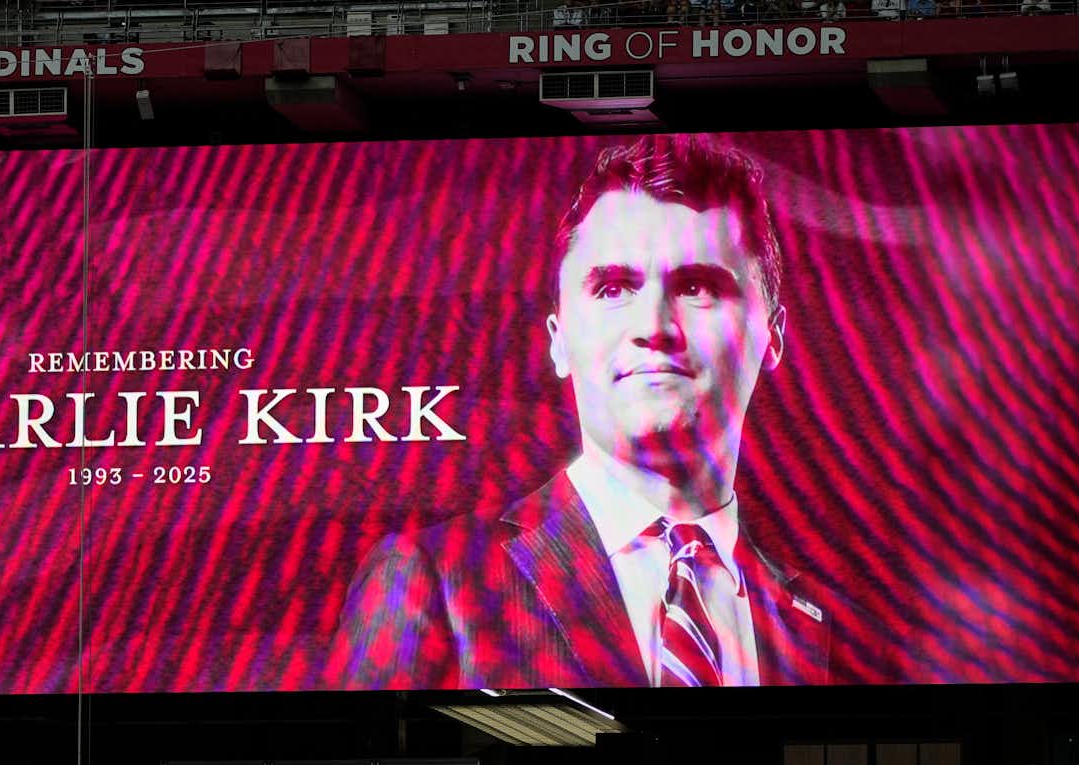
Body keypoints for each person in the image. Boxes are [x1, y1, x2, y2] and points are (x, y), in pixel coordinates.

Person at [330, 132, 838, 690]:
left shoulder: (817, 623)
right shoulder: (433, 576)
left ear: (773, 337)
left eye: (696, 286)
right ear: (558, 340)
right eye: (613, 288)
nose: (653, 327)